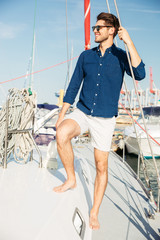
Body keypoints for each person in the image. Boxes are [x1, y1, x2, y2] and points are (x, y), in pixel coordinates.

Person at [53, 12, 145, 230]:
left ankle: (94, 211)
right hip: (83, 111)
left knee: (101, 166)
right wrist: (61, 114)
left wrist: (129, 41)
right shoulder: (86, 56)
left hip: (105, 118)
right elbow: (74, 86)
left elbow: (140, 73)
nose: (95, 30)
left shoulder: (122, 56)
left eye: (99, 27)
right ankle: (71, 179)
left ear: (111, 30)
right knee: (61, 134)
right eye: (94, 27)